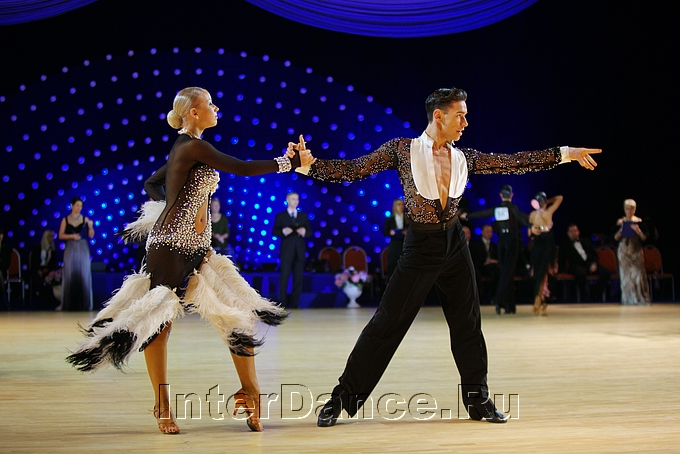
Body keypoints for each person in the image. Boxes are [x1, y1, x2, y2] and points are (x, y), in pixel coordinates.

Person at [290, 87, 600, 426]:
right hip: (419, 248)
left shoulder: (464, 157)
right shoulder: (402, 150)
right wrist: (309, 166)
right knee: (386, 325)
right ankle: (341, 399)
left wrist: (566, 154)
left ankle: (478, 401)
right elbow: (354, 169)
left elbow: (512, 162)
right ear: (439, 116)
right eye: (460, 116)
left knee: (468, 324)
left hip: (454, 244)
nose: (465, 123)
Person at [66, 87, 314, 434]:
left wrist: (177, 202)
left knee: (235, 314)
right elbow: (241, 168)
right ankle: (162, 405)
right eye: (210, 104)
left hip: (198, 248)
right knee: (159, 324)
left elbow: (152, 183)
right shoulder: (190, 146)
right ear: (194, 113)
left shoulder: (190, 148)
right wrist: (291, 163)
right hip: (168, 248)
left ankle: (250, 392)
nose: (216, 107)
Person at [464, 185, 529, 314]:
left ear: (500, 195)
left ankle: (509, 305)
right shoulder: (513, 208)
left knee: (506, 271)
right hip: (511, 240)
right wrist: (535, 225)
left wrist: (468, 216)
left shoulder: (498, 209)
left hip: (501, 241)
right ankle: (499, 299)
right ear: (512, 195)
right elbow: (523, 219)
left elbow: (484, 213)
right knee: (508, 271)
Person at [272, 192, 311, 309]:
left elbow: (310, 232)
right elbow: (274, 231)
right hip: (286, 250)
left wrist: (304, 232)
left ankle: (295, 302)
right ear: (288, 200)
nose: (296, 201)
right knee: (284, 276)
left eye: (297, 199)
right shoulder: (281, 216)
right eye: (293, 199)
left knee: (298, 277)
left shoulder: (303, 216)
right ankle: (283, 301)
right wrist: (284, 231)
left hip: (299, 250)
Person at [528, 192, 562, 315]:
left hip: (545, 242)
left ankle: (539, 300)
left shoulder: (545, 212)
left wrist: (547, 201)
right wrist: (533, 230)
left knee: (542, 273)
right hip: (540, 242)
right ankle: (539, 300)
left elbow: (560, 197)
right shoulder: (536, 214)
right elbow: (529, 232)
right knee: (539, 273)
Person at [58, 197, 94, 311]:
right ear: (72, 205)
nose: (79, 208)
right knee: (69, 272)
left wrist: (90, 226)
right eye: (77, 205)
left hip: (82, 248)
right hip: (70, 247)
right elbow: (60, 235)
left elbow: (91, 235)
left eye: (80, 206)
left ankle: (84, 304)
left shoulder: (85, 219)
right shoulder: (65, 219)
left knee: (83, 273)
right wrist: (71, 236)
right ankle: (68, 304)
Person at [558, 224, 611, 302]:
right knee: (580, 274)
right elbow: (561, 259)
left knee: (606, 273)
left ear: (578, 232)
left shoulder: (586, 241)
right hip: (576, 266)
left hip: (590, 264)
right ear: (568, 233)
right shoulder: (565, 245)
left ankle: (595, 292)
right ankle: (585, 296)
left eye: (575, 231)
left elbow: (594, 254)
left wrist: (594, 264)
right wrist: (562, 270)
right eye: (571, 231)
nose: (574, 233)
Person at [613, 199, 650, 305]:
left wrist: (638, 231)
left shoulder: (639, 222)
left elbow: (645, 238)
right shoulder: (620, 222)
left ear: (635, 209)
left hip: (636, 251)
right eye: (627, 209)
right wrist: (621, 231)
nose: (629, 211)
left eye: (631, 209)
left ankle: (640, 299)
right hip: (624, 252)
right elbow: (615, 238)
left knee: (638, 276)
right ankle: (628, 300)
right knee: (626, 277)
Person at [469, 225, 500, 306]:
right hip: (480, 267)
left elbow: (498, 258)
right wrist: (485, 261)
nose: (489, 234)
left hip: (492, 267)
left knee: (495, 270)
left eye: (491, 232)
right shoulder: (475, 245)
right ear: (482, 232)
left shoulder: (494, 246)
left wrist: (493, 261)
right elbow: (475, 258)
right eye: (487, 232)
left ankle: (495, 296)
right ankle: (483, 298)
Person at [30, 230, 58, 307]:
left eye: (52, 237)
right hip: (37, 269)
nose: (51, 238)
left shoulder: (52, 250)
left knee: (51, 278)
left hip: (48, 269)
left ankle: (48, 300)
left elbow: (53, 263)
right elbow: (34, 261)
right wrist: (39, 270)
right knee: (38, 279)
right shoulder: (37, 248)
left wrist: (47, 269)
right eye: (50, 237)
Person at [383, 198, 409, 280]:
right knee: (393, 265)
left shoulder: (407, 218)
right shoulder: (390, 219)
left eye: (402, 204)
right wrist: (391, 232)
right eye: (399, 204)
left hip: (405, 245)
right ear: (395, 206)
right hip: (394, 245)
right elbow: (386, 232)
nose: (401, 206)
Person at [0, 228, 12, 305]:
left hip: (2, 271)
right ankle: (3, 296)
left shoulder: (6, 248)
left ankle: (3, 296)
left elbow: (6, 264)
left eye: (1, 234)